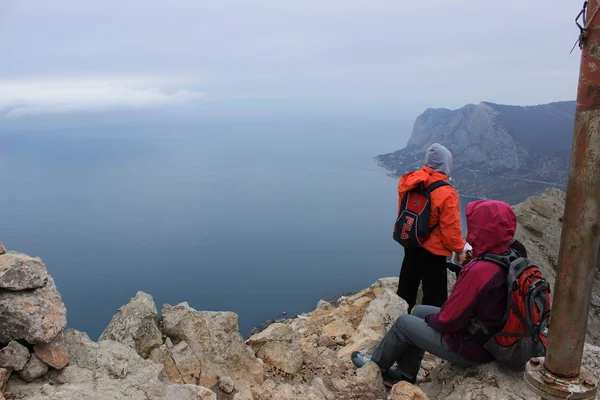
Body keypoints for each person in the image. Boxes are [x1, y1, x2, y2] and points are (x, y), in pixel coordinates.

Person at [353, 200, 517, 384]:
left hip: (471, 347)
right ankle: (406, 373)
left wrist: (434, 321)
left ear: (482, 228)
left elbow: (449, 320)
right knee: (419, 312)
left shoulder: (480, 271)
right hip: (485, 336)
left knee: (404, 323)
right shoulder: (508, 256)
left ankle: (375, 365)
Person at [396, 143, 465, 313]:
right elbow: (451, 229)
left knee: (407, 286)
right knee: (435, 297)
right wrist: (459, 249)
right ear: (446, 164)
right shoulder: (446, 192)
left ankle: (400, 318)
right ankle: (426, 331)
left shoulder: (409, 181)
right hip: (433, 251)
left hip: (411, 241)